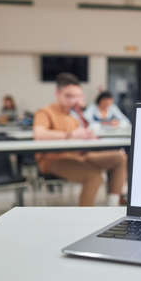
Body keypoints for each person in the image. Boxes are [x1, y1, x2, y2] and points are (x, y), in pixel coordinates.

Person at [33, 73, 127, 206]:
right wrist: (70, 135)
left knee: (120, 157)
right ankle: (85, 215)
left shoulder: (73, 115)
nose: (74, 100)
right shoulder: (45, 112)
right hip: (52, 159)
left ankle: (113, 204)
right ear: (57, 94)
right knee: (94, 176)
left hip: (79, 155)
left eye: (77, 96)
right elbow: (39, 134)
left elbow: (81, 133)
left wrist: (86, 134)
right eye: (69, 96)